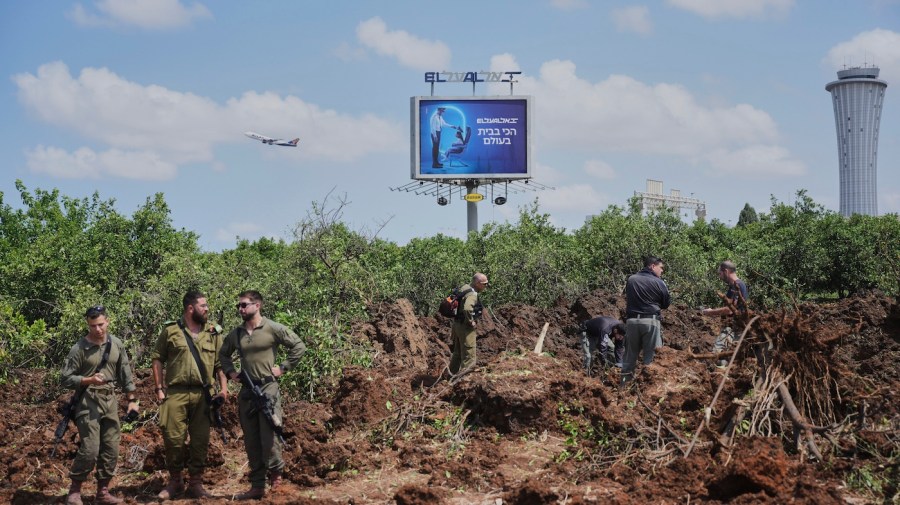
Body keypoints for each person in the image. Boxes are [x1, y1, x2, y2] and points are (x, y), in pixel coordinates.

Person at [219, 290, 307, 500]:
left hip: (268, 389)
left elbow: (299, 346)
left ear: (257, 305)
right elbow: (223, 354)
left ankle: (276, 481)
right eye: (239, 306)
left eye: (244, 305)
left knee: (270, 436)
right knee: (251, 439)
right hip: (247, 391)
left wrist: (283, 368)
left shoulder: (272, 328)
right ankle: (257, 485)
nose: (240, 309)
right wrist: (231, 372)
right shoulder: (237, 334)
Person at [151, 290, 228, 500]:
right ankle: (175, 482)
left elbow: (220, 364)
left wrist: (223, 390)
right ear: (190, 308)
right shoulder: (171, 331)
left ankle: (196, 484)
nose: (207, 309)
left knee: (200, 441)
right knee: (172, 439)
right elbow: (157, 358)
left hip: (203, 395)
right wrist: (159, 389)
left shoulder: (213, 332)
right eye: (203, 305)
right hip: (175, 393)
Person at [61, 305, 139, 505]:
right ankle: (74, 491)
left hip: (110, 400)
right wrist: (89, 380)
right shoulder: (79, 348)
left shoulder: (116, 344)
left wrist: (132, 401)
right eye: (93, 326)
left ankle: (103, 492)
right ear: (88, 325)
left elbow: (125, 374)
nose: (97, 329)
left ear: (108, 321)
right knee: (90, 448)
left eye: (101, 324)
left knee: (111, 447)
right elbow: (65, 379)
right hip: (87, 400)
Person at [621, 257, 671, 385]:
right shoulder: (659, 282)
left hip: (632, 322)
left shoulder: (631, 279)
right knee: (651, 358)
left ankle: (624, 387)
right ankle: (649, 389)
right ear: (653, 266)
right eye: (661, 268)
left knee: (629, 357)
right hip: (650, 322)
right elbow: (666, 304)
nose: (662, 271)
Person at [701, 260, 750, 367]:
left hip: (734, 328)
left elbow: (730, 309)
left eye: (720, 273)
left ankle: (718, 372)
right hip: (734, 327)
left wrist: (711, 312)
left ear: (726, 271)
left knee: (717, 352)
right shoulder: (734, 286)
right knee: (726, 355)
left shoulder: (738, 285)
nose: (720, 277)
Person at [449, 273, 489, 375]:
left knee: (457, 353)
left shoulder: (464, 287)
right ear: (477, 283)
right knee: (469, 356)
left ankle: (450, 376)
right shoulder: (472, 294)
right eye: (484, 284)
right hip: (465, 327)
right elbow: (467, 308)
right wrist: (471, 321)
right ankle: (465, 379)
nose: (486, 286)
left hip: (456, 325)